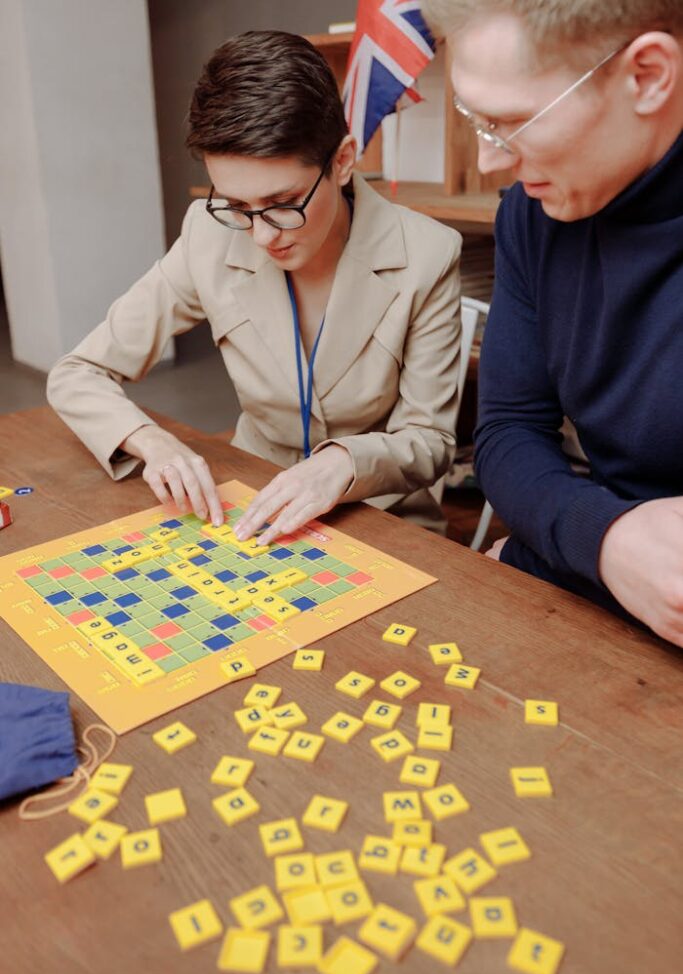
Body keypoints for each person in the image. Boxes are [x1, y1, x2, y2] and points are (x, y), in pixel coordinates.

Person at [47, 30, 461, 543]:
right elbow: (78, 373)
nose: (262, 235)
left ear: (343, 160)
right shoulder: (209, 232)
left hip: (381, 515)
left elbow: (431, 441)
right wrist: (151, 441)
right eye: (237, 206)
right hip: (247, 502)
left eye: (284, 202)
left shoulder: (428, 253)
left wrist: (342, 465)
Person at [422, 0, 683, 645]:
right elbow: (508, 431)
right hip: (601, 561)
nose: (488, 164)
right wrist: (606, 539)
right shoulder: (532, 218)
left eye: (512, 122)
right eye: (476, 120)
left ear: (648, 75)